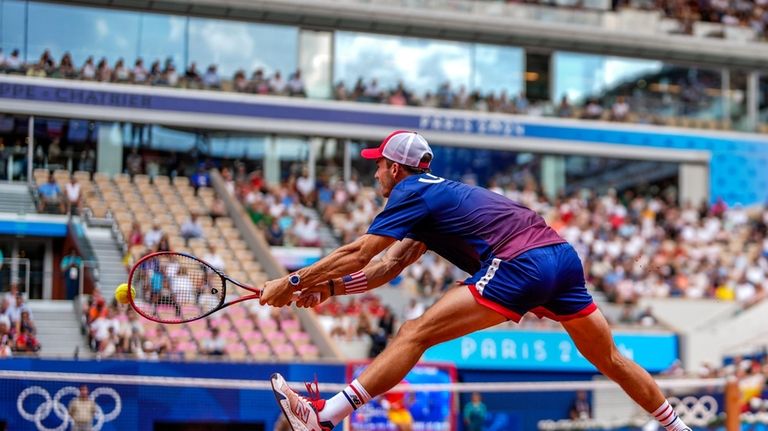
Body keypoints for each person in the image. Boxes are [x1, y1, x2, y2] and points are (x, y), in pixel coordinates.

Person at [262, 130, 692, 431]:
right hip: (561, 258)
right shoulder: (437, 197)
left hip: (521, 261)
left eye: (379, 166)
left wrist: (293, 281)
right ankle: (677, 427)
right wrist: (329, 289)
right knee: (610, 359)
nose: (375, 173)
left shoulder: (409, 193)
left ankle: (324, 417)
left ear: (395, 169)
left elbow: (360, 252)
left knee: (413, 333)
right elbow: (387, 268)